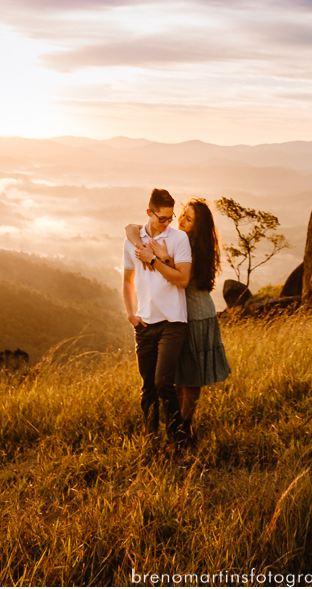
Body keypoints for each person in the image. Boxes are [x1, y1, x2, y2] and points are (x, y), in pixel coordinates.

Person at [126, 197, 230, 442]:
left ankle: (186, 423)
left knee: (191, 373)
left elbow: (181, 277)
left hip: (196, 314)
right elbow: (130, 228)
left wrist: (160, 258)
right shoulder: (180, 240)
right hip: (181, 313)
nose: (181, 220)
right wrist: (140, 242)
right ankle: (180, 423)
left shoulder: (193, 246)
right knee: (180, 371)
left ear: (199, 226)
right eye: (182, 214)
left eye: (189, 219)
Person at [122, 188, 191, 443]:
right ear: (149, 213)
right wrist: (131, 314)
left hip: (173, 321)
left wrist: (154, 260)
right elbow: (128, 280)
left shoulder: (178, 239)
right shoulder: (133, 240)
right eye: (161, 218)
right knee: (147, 388)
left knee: (164, 382)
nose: (166, 223)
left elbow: (182, 280)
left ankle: (178, 439)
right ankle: (150, 440)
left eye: (170, 218)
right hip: (144, 323)